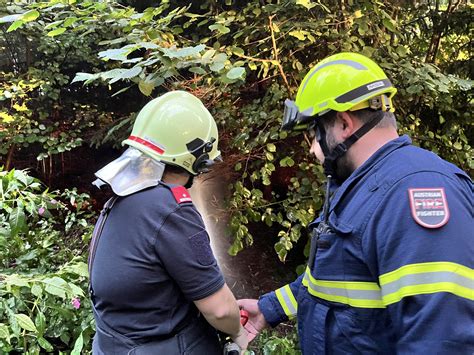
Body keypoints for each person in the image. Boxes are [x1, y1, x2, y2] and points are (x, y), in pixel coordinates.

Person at [238, 52, 473, 354]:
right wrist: (269, 309)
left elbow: (442, 341)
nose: (312, 150)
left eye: (313, 134)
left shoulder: (416, 191)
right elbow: (339, 279)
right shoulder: (366, 187)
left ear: (344, 123)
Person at [88, 91, 248, 354]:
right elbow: (219, 311)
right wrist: (238, 332)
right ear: (197, 157)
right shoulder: (170, 208)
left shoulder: (120, 199)